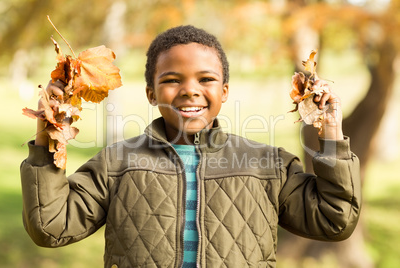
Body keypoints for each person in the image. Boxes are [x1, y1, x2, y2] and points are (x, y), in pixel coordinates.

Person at [20, 25, 361, 268]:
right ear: (151, 94)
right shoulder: (116, 163)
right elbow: (51, 227)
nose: (189, 90)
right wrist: (48, 134)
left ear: (224, 91)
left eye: (206, 79)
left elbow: (335, 219)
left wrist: (329, 129)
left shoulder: (267, 165)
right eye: (171, 80)